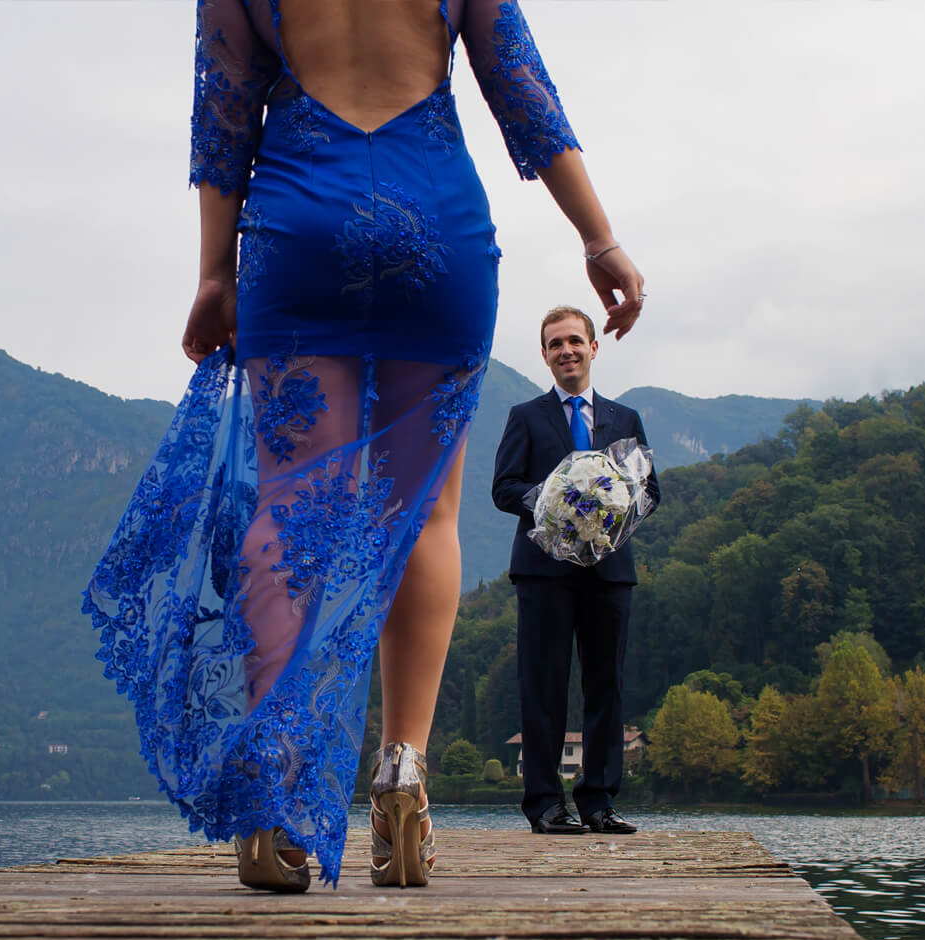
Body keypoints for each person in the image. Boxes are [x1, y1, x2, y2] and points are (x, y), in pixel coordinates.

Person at [84, 0, 644, 893]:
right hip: (438, 228)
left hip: (298, 227)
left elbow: (225, 119)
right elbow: (521, 90)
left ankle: (273, 795)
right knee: (427, 512)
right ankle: (404, 775)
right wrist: (599, 237)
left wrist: (213, 274)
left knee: (291, 504)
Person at [491, 306, 660, 835]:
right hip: (543, 571)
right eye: (555, 344)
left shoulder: (625, 420)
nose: (566, 351)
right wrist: (549, 501)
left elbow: (649, 491)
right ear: (544, 356)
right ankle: (545, 804)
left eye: (574, 341)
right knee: (542, 684)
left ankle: (599, 802)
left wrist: (612, 511)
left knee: (605, 683)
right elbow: (503, 488)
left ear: (593, 347)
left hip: (609, 572)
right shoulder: (526, 416)